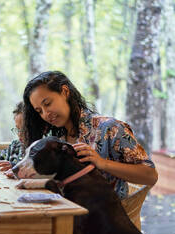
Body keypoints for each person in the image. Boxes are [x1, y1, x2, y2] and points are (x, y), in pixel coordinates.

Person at [21, 71, 158, 199]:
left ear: (65, 92)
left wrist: (102, 163)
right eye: (39, 111)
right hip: (66, 210)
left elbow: (151, 176)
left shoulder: (110, 128)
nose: (46, 114)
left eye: (48, 103)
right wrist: (21, 171)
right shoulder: (59, 137)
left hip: (104, 217)